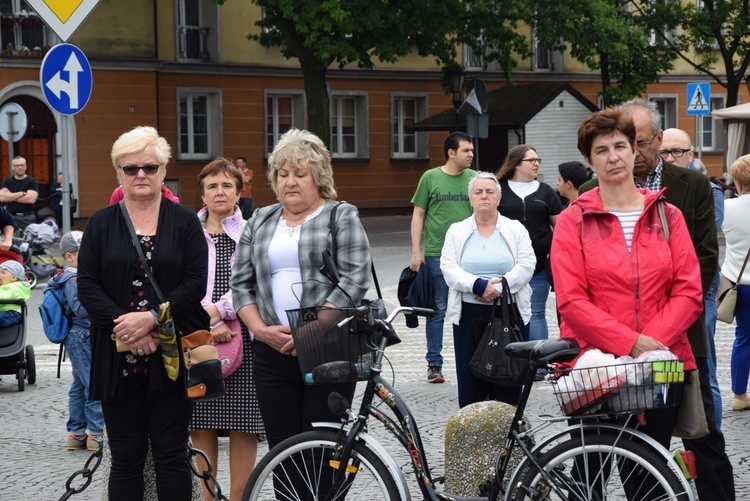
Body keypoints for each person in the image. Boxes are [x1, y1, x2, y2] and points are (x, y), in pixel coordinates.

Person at [579, 98, 734, 501]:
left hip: (678, 338)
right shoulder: (585, 198)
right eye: (608, 148)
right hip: (609, 350)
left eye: (639, 143)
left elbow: (701, 266)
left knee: (702, 433)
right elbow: (576, 291)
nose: (631, 153)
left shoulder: (690, 186)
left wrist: (656, 332)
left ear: (655, 140)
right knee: (608, 447)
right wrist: (625, 340)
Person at [552, 107, 703, 487]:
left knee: (650, 479)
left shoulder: (667, 215)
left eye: (620, 146)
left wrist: (649, 343)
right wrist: (629, 343)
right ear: (589, 161)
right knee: (590, 476)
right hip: (595, 367)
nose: (613, 156)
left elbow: (689, 290)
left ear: (635, 151)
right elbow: (570, 300)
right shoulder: (573, 220)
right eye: (601, 150)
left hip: (660, 364)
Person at [78, 126, 210, 500]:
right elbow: (87, 285)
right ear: (118, 171)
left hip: (171, 357)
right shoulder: (100, 223)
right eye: (131, 168)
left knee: (170, 456)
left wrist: (152, 318)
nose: (141, 175)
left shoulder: (184, 221)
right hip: (115, 357)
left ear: (164, 171)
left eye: (150, 167)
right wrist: (127, 329)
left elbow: (195, 283)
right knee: (126, 458)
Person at [230, 128, 371, 452]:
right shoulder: (259, 221)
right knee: (282, 451)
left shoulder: (340, 214)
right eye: (282, 174)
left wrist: (313, 328)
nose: (289, 181)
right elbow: (240, 284)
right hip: (271, 349)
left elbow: (354, 279)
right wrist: (260, 330)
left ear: (318, 177)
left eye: (299, 174)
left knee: (324, 448)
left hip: (327, 346)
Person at [190, 158, 263, 500]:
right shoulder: (188, 232)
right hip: (198, 338)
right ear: (202, 193)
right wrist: (205, 322)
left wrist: (218, 314)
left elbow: (254, 281)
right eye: (212, 186)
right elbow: (180, 282)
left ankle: (238, 498)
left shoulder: (252, 231)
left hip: (243, 337)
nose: (220, 192)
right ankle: (208, 497)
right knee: (201, 421)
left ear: (238, 191)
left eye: (227, 186)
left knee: (243, 424)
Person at [441, 171, 535, 407]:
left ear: (499, 198)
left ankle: (509, 433)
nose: (484, 196)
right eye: (478, 192)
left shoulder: (515, 229)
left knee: (507, 376)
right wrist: (477, 285)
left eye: (489, 192)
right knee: (470, 380)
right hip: (468, 317)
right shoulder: (457, 230)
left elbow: (527, 264)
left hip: (508, 312)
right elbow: (448, 267)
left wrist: (500, 288)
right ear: (470, 198)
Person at [661, 127, 725, 429]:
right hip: (661, 308)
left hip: (699, 294)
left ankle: (711, 423)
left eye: (677, 152)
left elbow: (707, 252)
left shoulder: (703, 188)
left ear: (690, 154)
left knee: (704, 366)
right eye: (665, 152)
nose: (671, 157)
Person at [410, 131, 476, 383]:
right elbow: (418, 214)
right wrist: (417, 251)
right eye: (466, 151)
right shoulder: (430, 177)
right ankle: (434, 364)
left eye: (471, 150)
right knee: (437, 310)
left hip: (469, 255)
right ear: (451, 153)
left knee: (471, 308)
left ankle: (473, 360)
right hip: (437, 254)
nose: (471, 155)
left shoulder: (474, 179)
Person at [496, 145, 562, 347]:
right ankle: (510, 358)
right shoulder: (499, 189)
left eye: (537, 160)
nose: (536, 164)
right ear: (516, 164)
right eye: (531, 160)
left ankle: (538, 363)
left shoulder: (546, 191)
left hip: (539, 265)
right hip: (505, 265)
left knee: (536, 312)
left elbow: (559, 227)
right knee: (505, 313)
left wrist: (556, 255)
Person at [46, 231, 105, 452]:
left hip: (78, 337)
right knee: (93, 385)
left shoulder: (70, 277)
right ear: (69, 256)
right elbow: (81, 310)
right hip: (83, 335)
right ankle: (95, 433)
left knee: (80, 385)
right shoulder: (73, 279)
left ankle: (76, 433)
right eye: (85, 253)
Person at [721, 155, 750, 412]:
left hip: (739, 284)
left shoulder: (727, 209)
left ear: (738, 183)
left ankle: (740, 395)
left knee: (743, 338)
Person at [0, 156, 39, 232]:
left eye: (22, 165)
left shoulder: (32, 181)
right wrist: (22, 193)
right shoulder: (7, 181)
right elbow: (2, 198)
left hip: (28, 217)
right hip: (10, 217)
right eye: (17, 165)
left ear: (26, 166)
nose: (20, 167)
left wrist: (10, 195)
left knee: (27, 242)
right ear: (12, 167)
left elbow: (31, 199)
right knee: (9, 241)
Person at [0, 260, 30, 326]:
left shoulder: (15, 287)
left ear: (13, 278)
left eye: (3, 272)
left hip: (12, 313)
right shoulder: (3, 286)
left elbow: (4, 296)